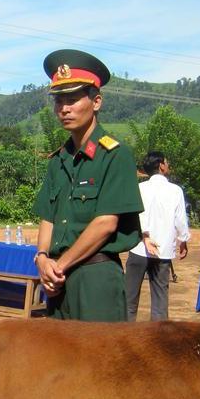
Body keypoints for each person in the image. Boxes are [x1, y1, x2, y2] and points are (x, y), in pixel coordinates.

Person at [32, 49, 142, 322]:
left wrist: (59, 266)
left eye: (72, 99)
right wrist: (43, 258)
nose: (64, 109)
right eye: (59, 101)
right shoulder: (58, 161)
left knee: (102, 362)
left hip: (96, 279)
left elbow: (106, 224)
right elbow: (48, 217)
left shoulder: (115, 155)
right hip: (58, 280)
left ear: (96, 102)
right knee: (58, 361)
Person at [124, 152, 190, 321]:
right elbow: (180, 221)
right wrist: (183, 241)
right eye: (166, 161)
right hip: (163, 251)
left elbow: (133, 216)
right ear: (161, 165)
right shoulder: (175, 191)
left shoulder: (139, 188)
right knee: (160, 301)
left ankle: (124, 336)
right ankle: (158, 340)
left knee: (129, 300)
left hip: (138, 249)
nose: (168, 165)